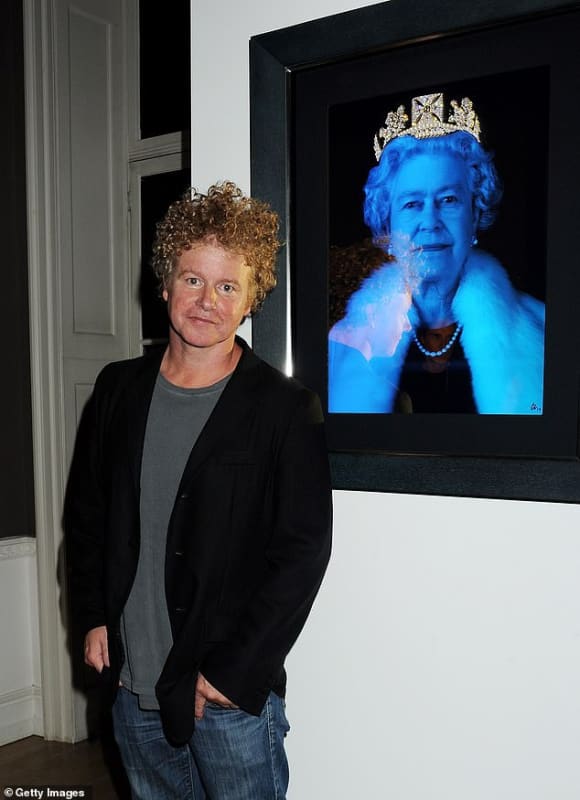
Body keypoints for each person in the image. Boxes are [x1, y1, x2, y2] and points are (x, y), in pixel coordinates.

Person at [65, 181, 332, 799]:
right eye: (192, 280)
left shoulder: (285, 409)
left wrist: (232, 674)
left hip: (226, 695)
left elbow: (303, 553)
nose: (206, 301)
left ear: (250, 301)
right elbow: (86, 519)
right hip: (133, 683)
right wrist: (93, 617)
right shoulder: (117, 390)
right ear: (164, 284)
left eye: (227, 286)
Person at [328, 92, 545, 414]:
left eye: (448, 200)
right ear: (388, 224)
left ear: (475, 214)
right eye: (412, 204)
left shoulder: (542, 332)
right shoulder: (343, 344)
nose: (430, 222)